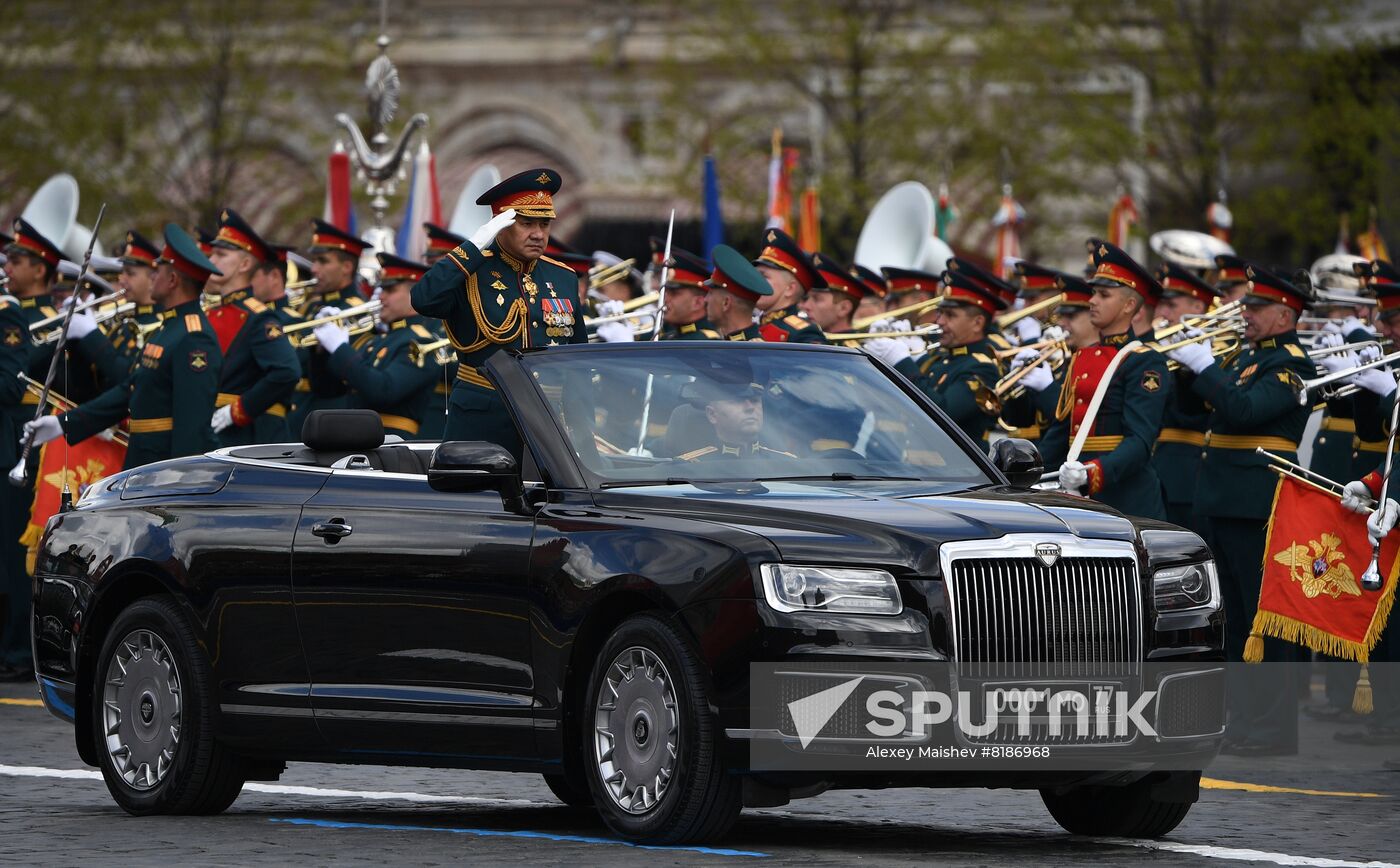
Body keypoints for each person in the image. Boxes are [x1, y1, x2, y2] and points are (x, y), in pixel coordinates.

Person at [1167, 263, 1316, 756]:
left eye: (1255, 308)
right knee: (1234, 617)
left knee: (1265, 617)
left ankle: (1274, 729)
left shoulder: (1292, 363)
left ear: (1283, 314)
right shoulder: (1246, 357)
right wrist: (1191, 373)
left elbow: (1245, 412)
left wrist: (1208, 370)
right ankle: (1244, 720)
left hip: (1258, 501)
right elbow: (1197, 413)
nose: (1245, 315)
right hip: (1222, 497)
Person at [410, 168, 584, 456]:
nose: (538, 234)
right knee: (477, 498)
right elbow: (424, 300)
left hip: (548, 419)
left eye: (544, 224)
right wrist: (474, 246)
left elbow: (576, 359)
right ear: (501, 224)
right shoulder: (471, 271)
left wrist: (583, 431)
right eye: (526, 223)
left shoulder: (562, 277)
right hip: (484, 416)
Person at [1044, 239, 1171, 521]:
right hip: (1078, 492)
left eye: (1103, 295)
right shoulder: (1083, 356)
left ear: (1128, 306)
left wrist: (1093, 473)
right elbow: (1061, 432)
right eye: (1094, 293)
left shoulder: (1143, 360)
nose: (1092, 301)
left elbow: (1139, 442)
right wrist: (1022, 473)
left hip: (1124, 498)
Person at [865, 267, 1005, 443]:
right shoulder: (940, 358)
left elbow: (942, 414)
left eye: (950, 315)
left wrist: (901, 360)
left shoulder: (982, 367)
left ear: (977, 323)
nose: (940, 321)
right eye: (940, 313)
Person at [312, 253, 440, 439]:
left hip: (391, 443)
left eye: (391, 290)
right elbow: (328, 389)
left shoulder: (421, 342)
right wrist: (321, 350)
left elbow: (383, 390)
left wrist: (340, 347)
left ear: (416, 293)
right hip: (358, 439)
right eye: (382, 290)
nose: (381, 297)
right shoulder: (378, 340)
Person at [204, 209, 301, 446]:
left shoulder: (259, 318)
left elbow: (287, 371)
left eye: (220, 254)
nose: (211, 260)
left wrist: (238, 411)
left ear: (245, 264)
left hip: (240, 437)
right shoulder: (211, 312)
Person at [1151, 262, 1220, 531]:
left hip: (1189, 470)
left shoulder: (1214, 348)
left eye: (1172, 305)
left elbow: (1195, 412)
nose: (1163, 313)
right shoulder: (1160, 344)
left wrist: (1190, 369)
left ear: (1197, 308)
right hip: (1158, 465)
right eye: (1162, 305)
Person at [999, 271, 1093, 444]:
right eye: (1061, 315)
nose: (1062, 322)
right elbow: (1019, 420)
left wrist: (1047, 389)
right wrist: (1019, 384)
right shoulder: (1059, 348)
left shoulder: (1090, 357)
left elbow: (1078, 426)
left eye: (1070, 316)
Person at [677, 377, 795, 462]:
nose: (750, 408)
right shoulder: (689, 470)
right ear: (712, 414)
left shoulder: (787, 464)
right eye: (737, 401)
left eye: (754, 401)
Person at [752, 228, 826, 343]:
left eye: (765, 276)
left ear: (790, 289)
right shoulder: (753, 325)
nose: (756, 280)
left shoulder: (802, 334)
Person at [804, 252, 883, 345]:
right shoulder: (808, 339)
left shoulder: (854, 353)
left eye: (817, 299)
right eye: (807, 298)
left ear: (844, 308)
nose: (806, 306)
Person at [702, 244, 772, 341]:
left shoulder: (753, 352)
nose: (705, 300)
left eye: (710, 293)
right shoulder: (753, 349)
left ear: (726, 303)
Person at [658, 248, 722, 340]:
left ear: (698, 303)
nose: (666, 299)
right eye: (666, 292)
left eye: (674, 293)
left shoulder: (706, 342)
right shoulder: (670, 336)